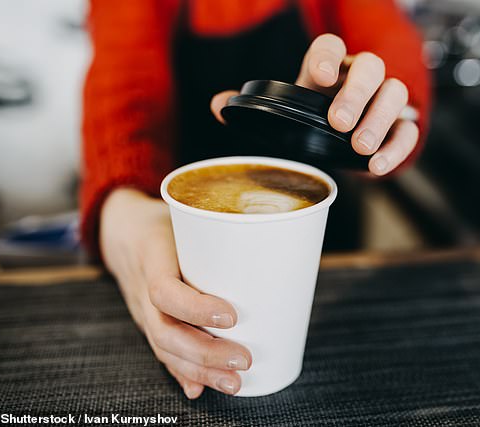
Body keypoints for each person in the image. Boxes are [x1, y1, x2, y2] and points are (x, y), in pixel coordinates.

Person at [81, 0, 431, 399]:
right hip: (183, 238)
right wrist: (124, 206)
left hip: (327, 248)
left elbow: (386, 36)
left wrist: (379, 108)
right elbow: (124, 80)